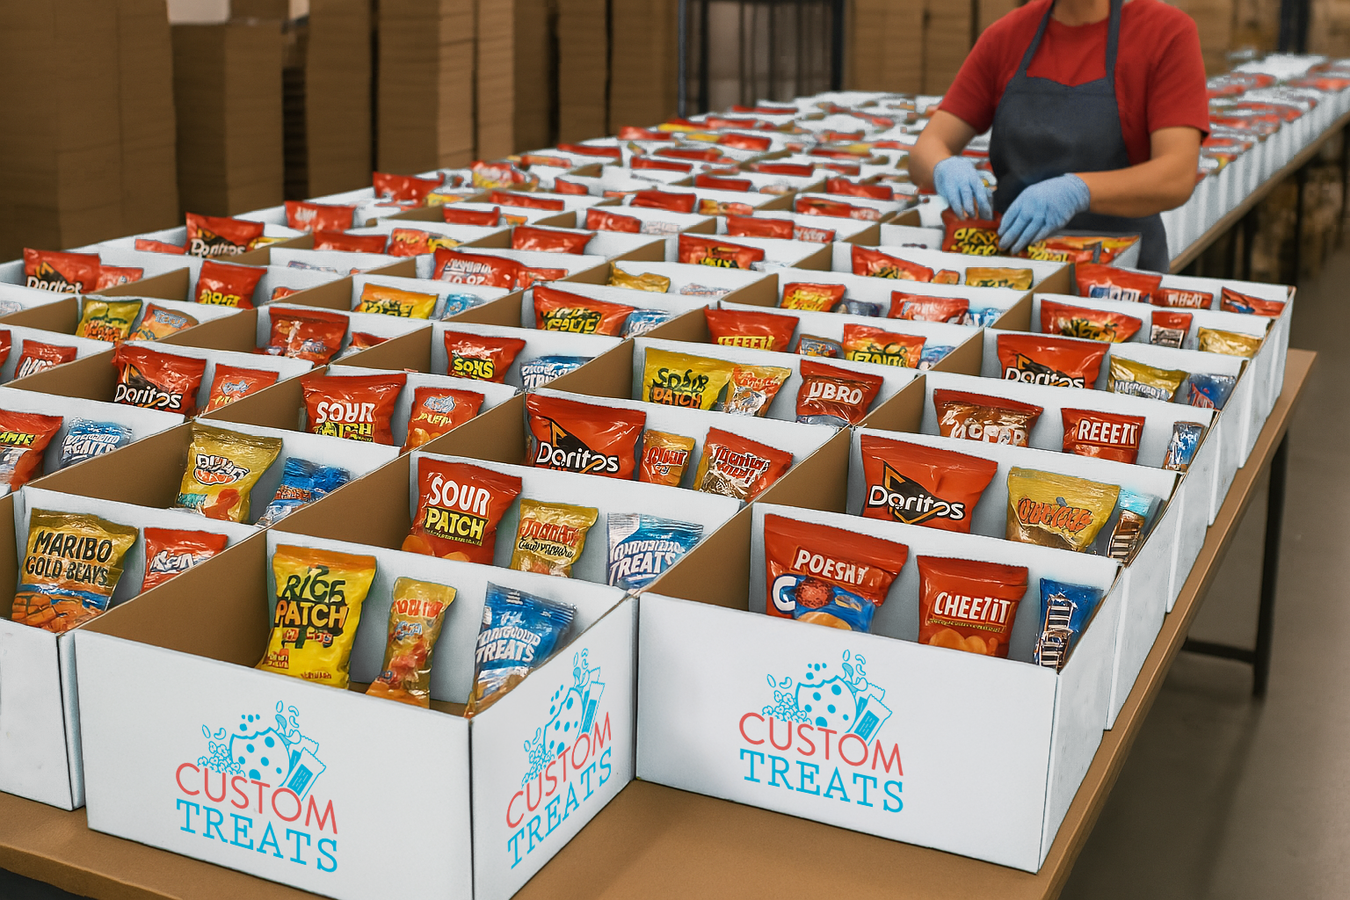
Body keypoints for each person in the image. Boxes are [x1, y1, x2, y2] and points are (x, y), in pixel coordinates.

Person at [910, 0, 1209, 271]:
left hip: (1119, 280)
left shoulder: (1164, 33)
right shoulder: (1006, 36)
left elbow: (1176, 175)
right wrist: (943, 167)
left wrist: (1078, 191)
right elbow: (926, 149)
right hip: (1014, 268)